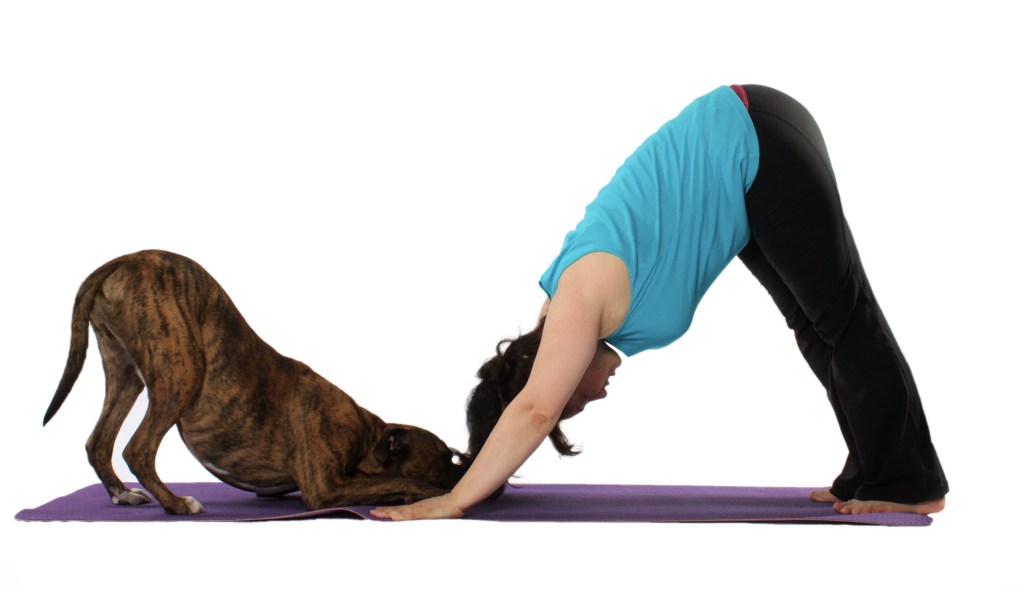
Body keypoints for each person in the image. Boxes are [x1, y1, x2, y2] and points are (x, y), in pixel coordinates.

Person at [370, 84, 948, 521]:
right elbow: (525, 401)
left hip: (755, 138)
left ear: (559, 374)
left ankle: (907, 480)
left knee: (841, 319)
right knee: (818, 325)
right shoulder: (561, 309)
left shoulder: (574, 306)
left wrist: (450, 504)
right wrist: (479, 471)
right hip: (748, 164)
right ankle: (870, 470)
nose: (593, 398)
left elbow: (531, 411)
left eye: (578, 401)